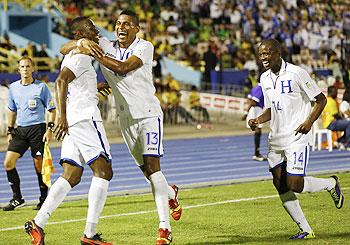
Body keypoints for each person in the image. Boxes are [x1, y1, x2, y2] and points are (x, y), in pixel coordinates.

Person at [60, 10, 182, 245]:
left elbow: (123, 68)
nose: (121, 27)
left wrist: (95, 53)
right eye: (117, 23)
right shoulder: (105, 44)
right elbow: (63, 49)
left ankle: (164, 229)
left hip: (148, 115)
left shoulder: (144, 47)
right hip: (126, 121)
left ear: (136, 28)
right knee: (147, 173)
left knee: (153, 167)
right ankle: (171, 192)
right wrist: (81, 42)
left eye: (127, 23)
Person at [24, 17, 113, 245]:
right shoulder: (82, 54)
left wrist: (95, 87)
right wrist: (61, 117)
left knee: (71, 175)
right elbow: (61, 81)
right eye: (90, 27)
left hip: (75, 119)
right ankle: (90, 234)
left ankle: (38, 223)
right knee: (103, 171)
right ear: (79, 34)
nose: (96, 29)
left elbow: (70, 74)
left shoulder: (77, 51)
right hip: (84, 118)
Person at [249, 39, 344, 239]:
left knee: (294, 184)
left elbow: (321, 99)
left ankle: (330, 184)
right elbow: (271, 109)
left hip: (297, 136)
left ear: (277, 52)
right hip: (276, 138)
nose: (263, 58)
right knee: (279, 183)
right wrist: (258, 119)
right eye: (261, 55)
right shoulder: (264, 78)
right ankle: (306, 230)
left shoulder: (296, 73)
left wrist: (309, 122)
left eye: (266, 53)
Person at [3, 56, 56, 211]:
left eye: (28, 66)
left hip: (37, 129)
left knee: (39, 165)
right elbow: (12, 111)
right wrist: (10, 130)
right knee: (8, 163)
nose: (25, 69)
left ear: (33, 69)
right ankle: (17, 198)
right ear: (18, 69)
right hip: (20, 130)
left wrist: (49, 130)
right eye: (22, 67)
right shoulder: (13, 88)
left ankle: (44, 198)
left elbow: (52, 110)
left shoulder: (41, 87)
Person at [242, 83, 266, 161]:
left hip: (255, 109)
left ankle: (257, 153)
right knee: (258, 130)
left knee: (258, 131)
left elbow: (249, 98)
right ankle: (256, 154)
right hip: (256, 109)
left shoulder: (255, 87)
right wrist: (246, 112)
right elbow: (253, 101)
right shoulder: (261, 87)